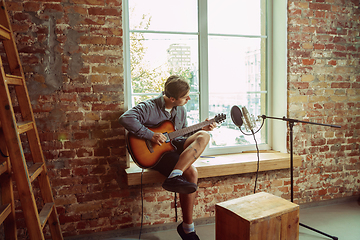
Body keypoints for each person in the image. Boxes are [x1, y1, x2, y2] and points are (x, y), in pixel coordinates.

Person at [119, 75, 216, 240]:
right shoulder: (149, 107)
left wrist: (202, 127)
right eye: (185, 97)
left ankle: (175, 175)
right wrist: (151, 135)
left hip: (174, 146)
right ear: (172, 98)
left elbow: (181, 134)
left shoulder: (181, 110)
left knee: (203, 136)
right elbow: (125, 118)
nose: (188, 98)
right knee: (191, 173)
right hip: (155, 154)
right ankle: (188, 228)